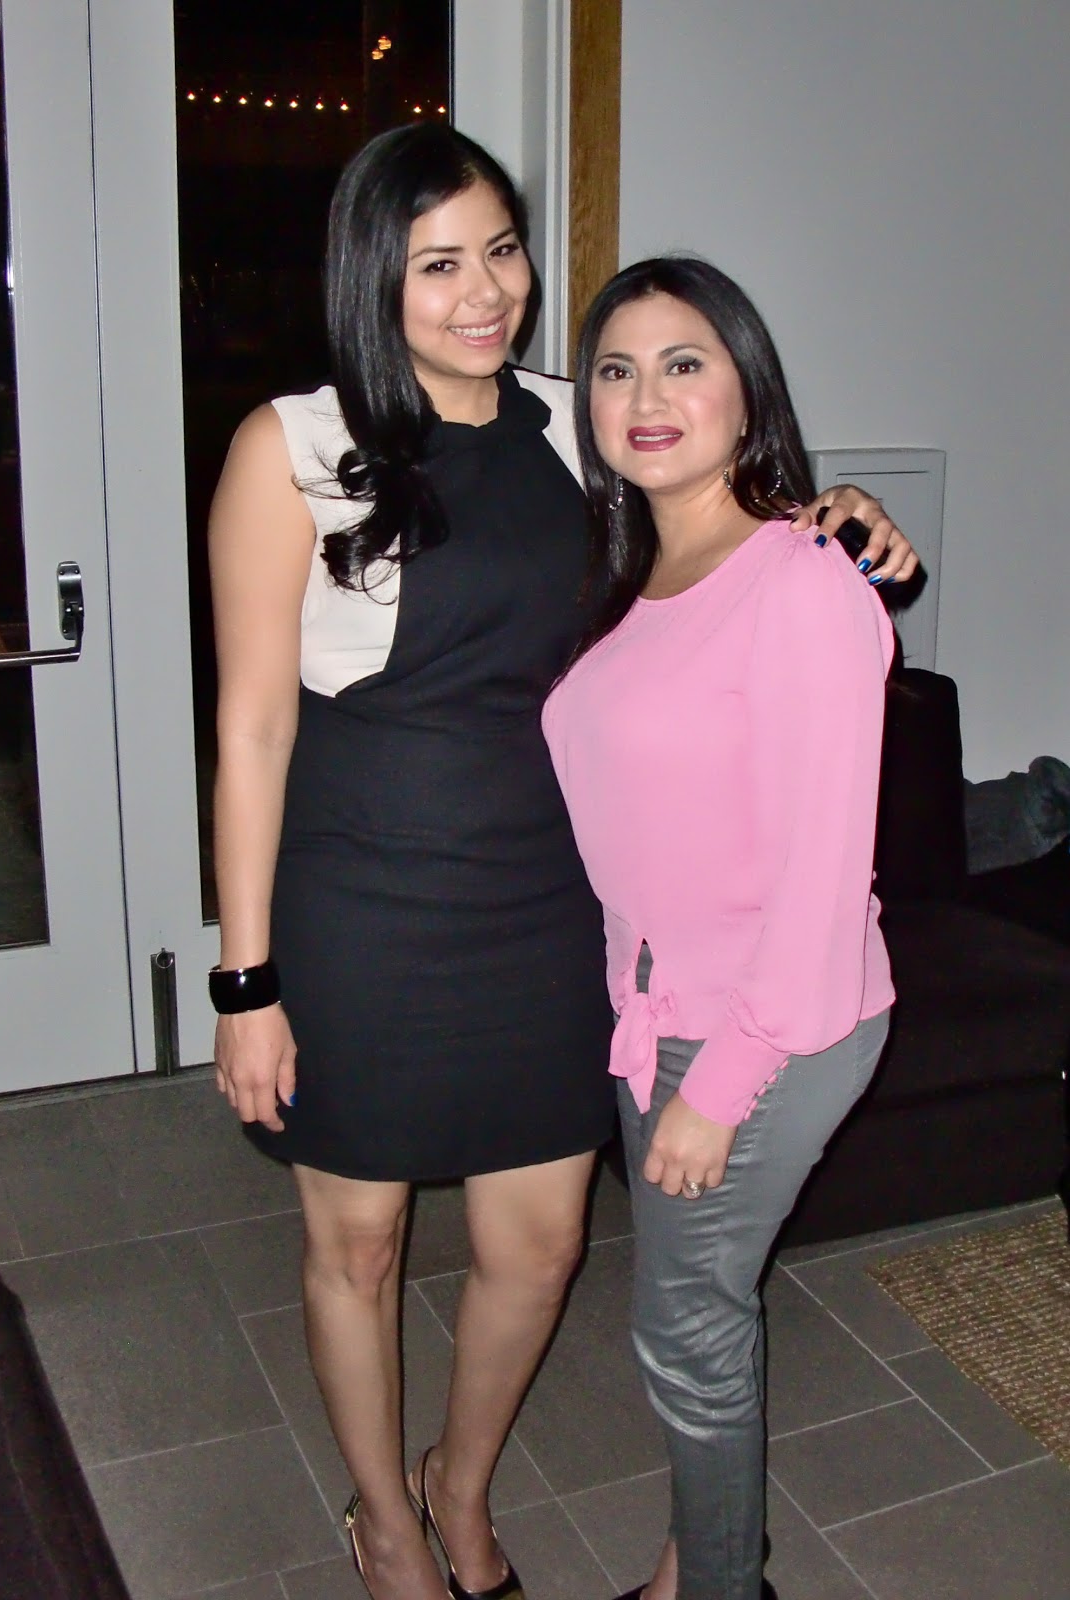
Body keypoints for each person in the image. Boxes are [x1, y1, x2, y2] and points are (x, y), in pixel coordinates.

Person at [207, 125, 915, 1600]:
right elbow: (255, 731)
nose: (485, 293)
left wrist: (835, 514)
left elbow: (710, 532)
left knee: (539, 1250)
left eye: (503, 251)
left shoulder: (572, 425)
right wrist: (246, 979)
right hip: (358, 912)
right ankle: (387, 1526)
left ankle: (456, 1486)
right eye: (437, 265)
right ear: (370, 280)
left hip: (547, 913)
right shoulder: (292, 449)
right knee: (360, 1246)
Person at [542, 256, 898, 1600]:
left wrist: (723, 1084)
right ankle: (692, 1569)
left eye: (684, 363)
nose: (646, 396)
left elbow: (823, 878)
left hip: (766, 1022)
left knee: (685, 1328)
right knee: (689, 1311)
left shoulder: (801, 578)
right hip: (664, 1011)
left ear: (748, 392)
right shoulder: (640, 567)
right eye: (616, 370)